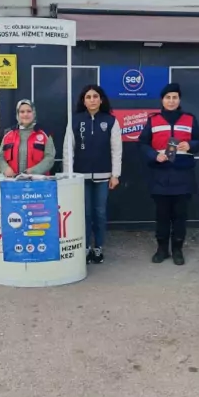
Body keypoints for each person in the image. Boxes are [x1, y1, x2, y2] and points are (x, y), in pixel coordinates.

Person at [137, 83, 199, 266]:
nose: (171, 101)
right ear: (162, 100)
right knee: (162, 215)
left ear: (179, 100)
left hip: (183, 175)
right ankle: (161, 249)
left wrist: (191, 145)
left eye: (175, 97)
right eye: (168, 97)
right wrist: (154, 155)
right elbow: (143, 144)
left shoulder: (190, 119)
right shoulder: (153, 120)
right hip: (160, 175)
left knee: (180, 215)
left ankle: (177, 249)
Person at [64, 84, 122, 264]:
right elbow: (68, 150)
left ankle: (98, 248)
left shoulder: (111, 121)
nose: (92, 100)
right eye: (88, 97)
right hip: (80, 178)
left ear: (101, 99)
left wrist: (115, 175)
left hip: (104, 177)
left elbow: (116, 150)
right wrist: (69, 175)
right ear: (83, 100)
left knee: (100, 213)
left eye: (95, 96)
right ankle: (85, 247)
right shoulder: (74, 120)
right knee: (85, 213)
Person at [0, 99, 56, 177]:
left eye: (29, 111)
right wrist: (5, 169)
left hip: (38, 183)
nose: (25, 114)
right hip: (13, 183)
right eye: (22, 112)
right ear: (17, 114)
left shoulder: (44, 134)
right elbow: (0, 157)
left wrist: (32, 172)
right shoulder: (8, 134)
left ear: (34, 113)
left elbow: (50, 158)